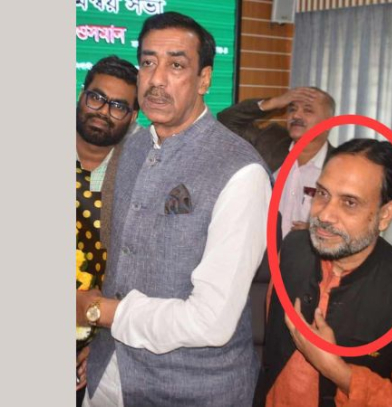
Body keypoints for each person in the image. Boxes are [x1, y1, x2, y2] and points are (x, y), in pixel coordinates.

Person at [76, 12, 271, 407]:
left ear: (204, 79)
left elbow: (211, 321)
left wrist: (99, 312)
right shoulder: (132, 148)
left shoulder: (241, 172)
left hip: (191, 391)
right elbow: (122, 268)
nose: (157, 79)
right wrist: (101, 349)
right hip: (109, 375)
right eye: (148, 63)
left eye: (176, 65)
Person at [254, 139, 392, 407]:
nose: (325, 215)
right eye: (322, 193)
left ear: (385, 214)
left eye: (349, 202)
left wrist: (338, 371)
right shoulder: (291, 249)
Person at [74, 55, 139, 407]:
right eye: (96, 98)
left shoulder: (140, 174)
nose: (102, 111)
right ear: (81, 96)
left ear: (132, 117)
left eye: (118, 106)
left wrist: (101, 343)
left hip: (91, 335)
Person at [218, 87, 335, 238]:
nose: (296, 115)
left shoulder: (339, 166)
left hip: (307, 252)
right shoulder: (269, 142)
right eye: (292, 109)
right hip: (260, 249)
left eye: (308, 110)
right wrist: (274, 102)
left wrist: (321, 230)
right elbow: (227, 121)